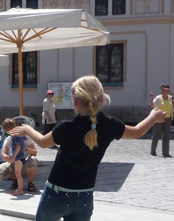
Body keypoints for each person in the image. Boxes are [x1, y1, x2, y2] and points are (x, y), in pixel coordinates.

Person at [9, 75, 166, 221]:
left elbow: (43, 142)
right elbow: (137, 132)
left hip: (56, 194)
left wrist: (27, 129)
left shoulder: (65, 127)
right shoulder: (109, 125)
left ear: (75, 101)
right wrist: (152, 117)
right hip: (84, 197)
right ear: (101, 100)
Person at [149, 84, 174, 157]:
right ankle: (153, 151)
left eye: (163, 90)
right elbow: (152, 105)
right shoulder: (158, 98)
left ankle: (166, 153)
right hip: (159, 119)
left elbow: (173, 107)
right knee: (156, 135)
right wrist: (151, 98)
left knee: (166, 135)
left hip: (168, 118)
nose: (162, 91)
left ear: (167, 91)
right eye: (161, 89)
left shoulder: (170, 98)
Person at [1, 118, 26, 196]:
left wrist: (13, 156)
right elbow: (25, 139)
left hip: (18, 158)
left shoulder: (15, 136)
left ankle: (20, 189)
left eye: (6, 131)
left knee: (18, 174)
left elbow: (18, 147)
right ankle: (19, 189)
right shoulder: (20, 134)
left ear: (9, 129)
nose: (7, 133)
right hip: (21, 156)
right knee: (18, 174)